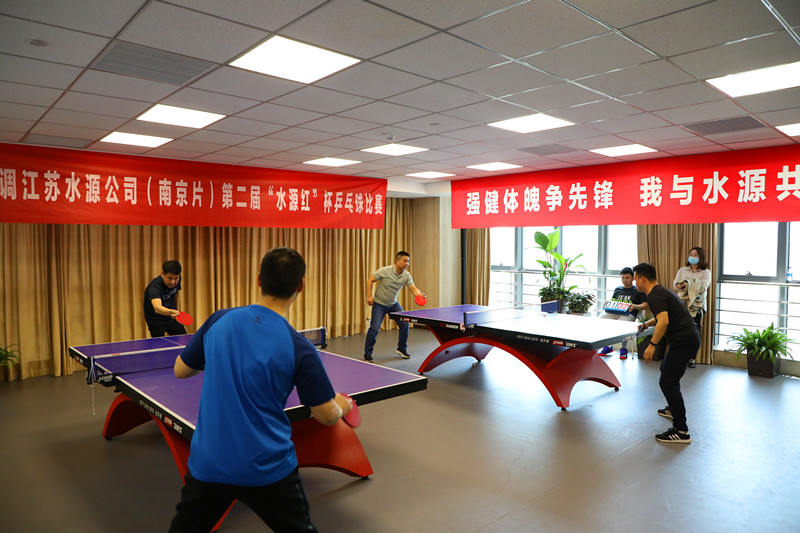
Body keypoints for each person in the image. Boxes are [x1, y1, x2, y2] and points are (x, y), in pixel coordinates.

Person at [168, 246, 352, 532]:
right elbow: (327, 416)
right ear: (301, 286)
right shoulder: (300, 347)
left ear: (258, 279)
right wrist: (343, 404)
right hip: (269, 469)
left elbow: (181, 370)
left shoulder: (219, 320)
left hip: (210, 465)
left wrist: (224, 357)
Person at [634, 262, 700, 445]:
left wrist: (652, 345)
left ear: (643, 279)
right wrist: (648, 324)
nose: (635, 283)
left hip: (683, 341)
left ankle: (681, 430)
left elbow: (664, 321)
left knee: (667, 381)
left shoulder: (654, 295)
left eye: (635, 279)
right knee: (666, 370)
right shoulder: (661, 291)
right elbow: (664, 316)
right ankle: (673, 408)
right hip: (689, 338)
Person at [364, 251, 425, 362]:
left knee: (405, 324)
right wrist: (369, 296)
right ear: (397, 261)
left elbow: (413, 288)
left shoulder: (406, 275)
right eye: (404, 261)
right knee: (374, 329)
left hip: (393, 304)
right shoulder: (384, 271)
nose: (407, 264)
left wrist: (419, 295)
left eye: (408, 261)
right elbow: (370, 280)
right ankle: (367, 353)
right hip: (379, 304)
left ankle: (401, 348)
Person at [598, 267, 649, 359]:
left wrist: (635, 306)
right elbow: (613, 301)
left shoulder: (638, 290)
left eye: (627, 277)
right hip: (614, 312)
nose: (625, 280)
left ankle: (623, 348)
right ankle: (608, 346)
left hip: (629, 313)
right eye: (623, 278)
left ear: (633, 278)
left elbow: (645, 305)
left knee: (622, 324)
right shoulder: (618, 289)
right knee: (600, 319)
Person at [673, 247, 711, 368]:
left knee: (694, 331)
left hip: (697, 305)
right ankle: (680, 355)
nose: (692, 257)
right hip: (682, 304)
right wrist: (687, 285)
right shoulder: (683, 270)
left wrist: (687, 284)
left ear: (701, 257)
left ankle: (692, 358)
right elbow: (675, 284)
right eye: (691, 254)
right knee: (680, 330)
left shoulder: (706, 272)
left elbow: (703, 288)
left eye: (695, 255)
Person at [143, 260, 186, 337]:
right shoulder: (154, 288)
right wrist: (172, 311)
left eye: (176, 278)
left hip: (170, 317)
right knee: (159, 343)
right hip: (155, 320)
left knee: (183, 339)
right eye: (170, 278)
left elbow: (176, 293)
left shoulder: (177, 279)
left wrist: (176, 309)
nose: (173, 282)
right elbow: (157, 308)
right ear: (162, 273)